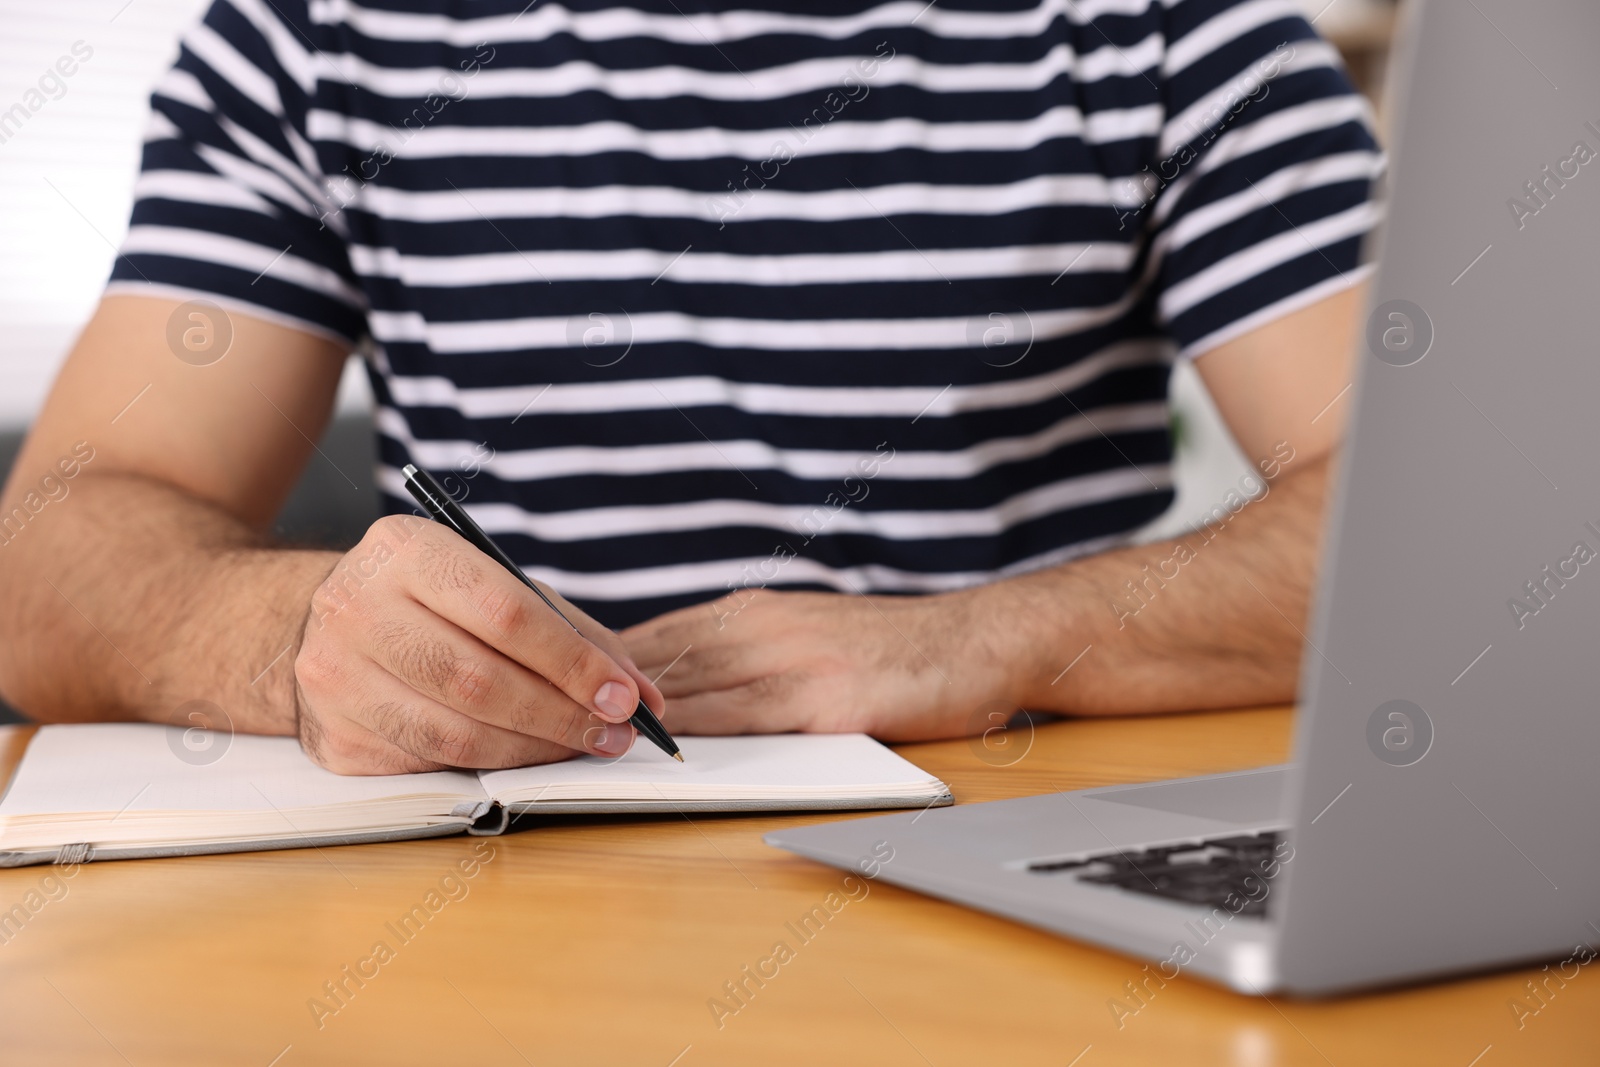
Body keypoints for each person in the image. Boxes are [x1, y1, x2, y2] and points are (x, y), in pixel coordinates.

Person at [0, 0, 1380, 774]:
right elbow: (48, 562)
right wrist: (308, 639)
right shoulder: (312, 42)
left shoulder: (1182, 32)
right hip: (490, 896)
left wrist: (973, 642)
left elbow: (1441, 528)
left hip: (1010, 852)